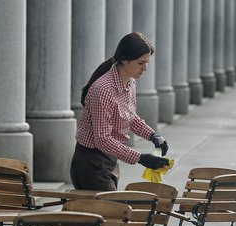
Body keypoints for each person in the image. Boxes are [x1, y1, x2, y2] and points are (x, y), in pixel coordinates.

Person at [70, 32, 170, 191]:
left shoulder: (130, 82)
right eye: (140, 63)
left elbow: (130, 116)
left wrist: (153, 135)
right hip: (91, 163)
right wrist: (140, 158)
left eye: (147, 62)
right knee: (111, 211)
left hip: (109, 159)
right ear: (124, 60)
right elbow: (102, 140)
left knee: (106, 213)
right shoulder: (102, 89)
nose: (145, 68)